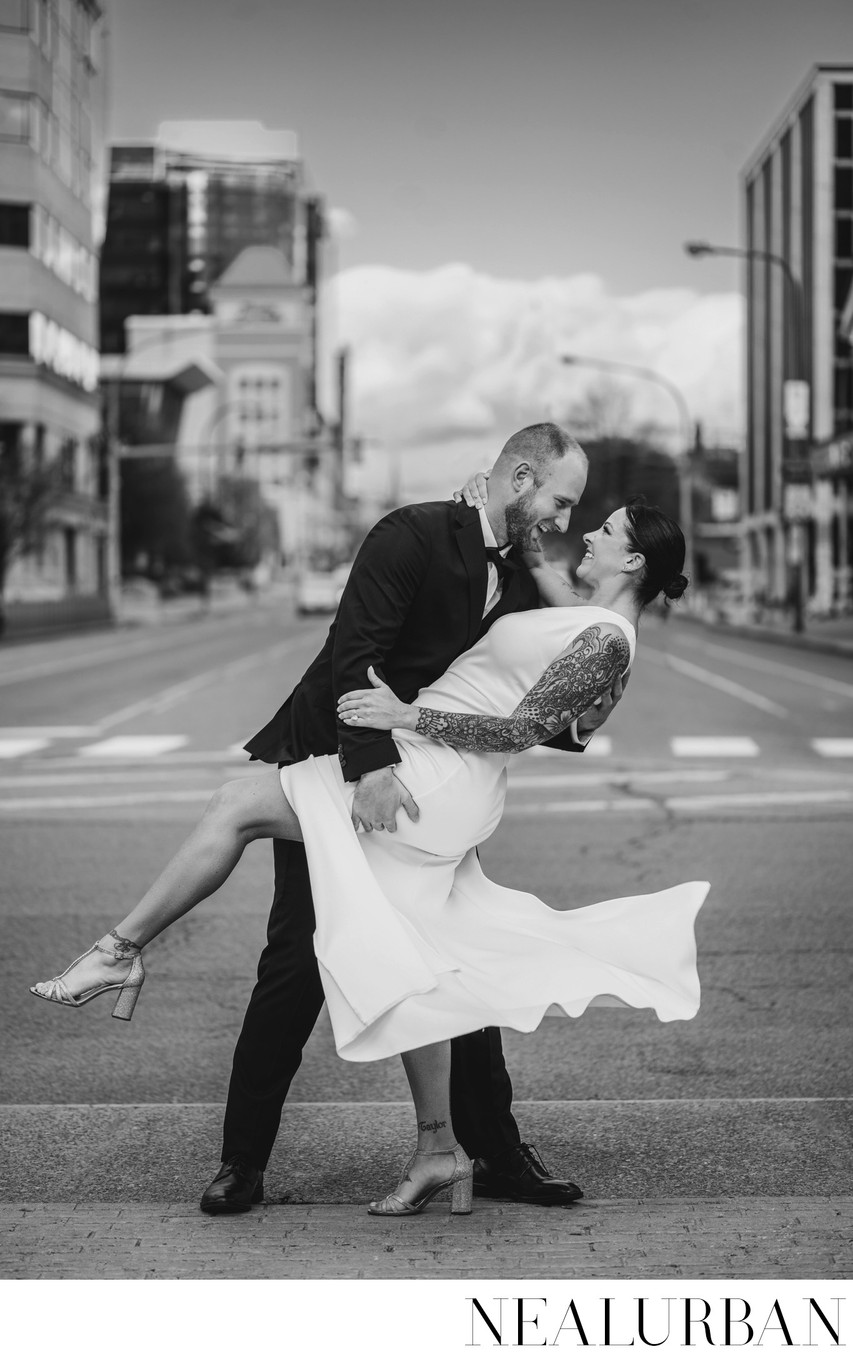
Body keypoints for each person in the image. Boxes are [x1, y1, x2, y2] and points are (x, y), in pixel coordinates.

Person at [31, 482, 708, 1218]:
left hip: (426, 776)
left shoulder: (607, 637)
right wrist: (474, 525)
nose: (580, 530)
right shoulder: (570, 606)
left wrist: (403, 714)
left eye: (601, 527)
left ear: (632, 559)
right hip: (423, 768)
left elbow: (520, 729)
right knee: (413, 965)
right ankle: (435, 1150)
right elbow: (527, 598)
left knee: (236, 809)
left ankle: (119, 949)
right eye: (566, 505)